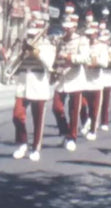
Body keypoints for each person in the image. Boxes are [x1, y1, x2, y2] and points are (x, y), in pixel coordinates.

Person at [10, 19, 56, 162]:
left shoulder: (48, 46)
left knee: (38, 119)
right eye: (30, 34)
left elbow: (49, 63)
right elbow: (12, 62)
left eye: (34, 35)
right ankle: (22, 143)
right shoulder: (22, 45)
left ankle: (36, 148)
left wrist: (36, 52)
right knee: (17, 115)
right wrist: (21, 54)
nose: (31, 37)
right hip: (22, 85)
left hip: (39, 85)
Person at [51, 14, 89, 152]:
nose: (66, 30)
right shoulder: (60, 40)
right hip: (61, 78)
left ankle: (72, 137)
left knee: (74, 111)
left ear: (75, 27)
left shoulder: (82, 40)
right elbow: (55, 58)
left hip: (75, 79)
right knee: (56, 108)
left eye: (69, 28)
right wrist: (53, 69)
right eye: (65, 27)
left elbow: (85, 58)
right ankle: (65, 131)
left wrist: (68, 57)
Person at [79, 22, 109, 141]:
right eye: (87, 34)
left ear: (96, 34)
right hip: (83, 80)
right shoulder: (83, 46)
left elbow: (105, 63)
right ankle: (85, 121)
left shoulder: (102, 47)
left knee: (94, 108)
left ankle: (93, 130)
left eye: (91, 34)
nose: (89, 36)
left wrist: (95, 62)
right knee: (81, 105)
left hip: (96, 81)